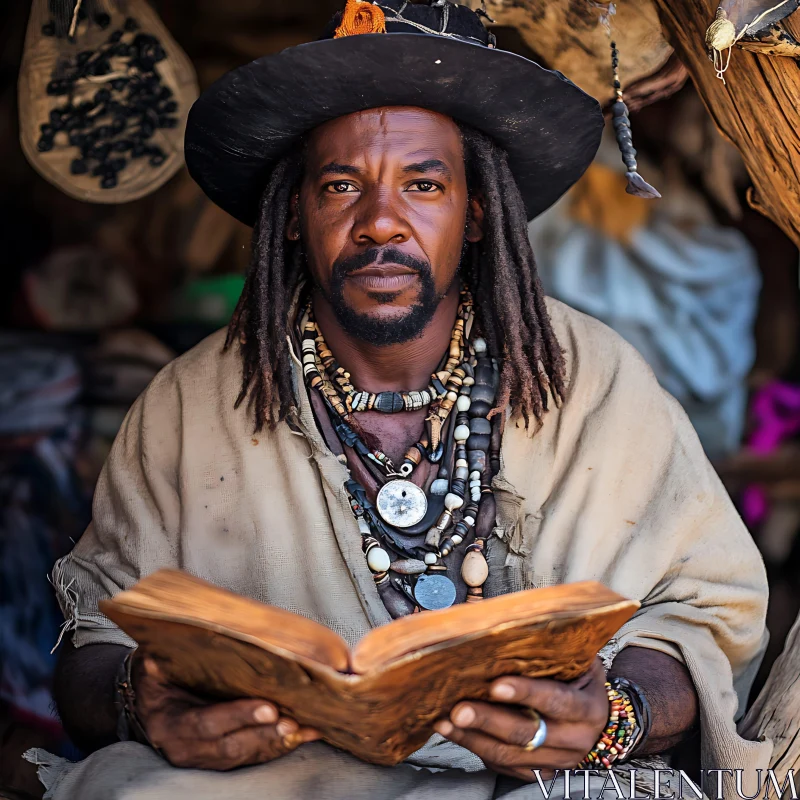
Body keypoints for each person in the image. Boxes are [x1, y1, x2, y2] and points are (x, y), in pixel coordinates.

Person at [38, 1, 770, 797]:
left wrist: (615, 716)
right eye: (341, 185)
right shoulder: (188, 406)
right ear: (293, 216)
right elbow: (95, 640)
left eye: (423, 184)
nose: (379, 223)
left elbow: (702, 612)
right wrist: (141, 707)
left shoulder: (592, 379)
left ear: (478, 211)